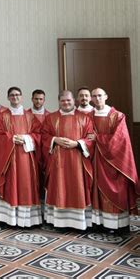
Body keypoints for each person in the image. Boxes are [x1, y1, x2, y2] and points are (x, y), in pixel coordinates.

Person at [41, 90, 95, 230]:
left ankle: (79, 222)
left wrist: (77, 144)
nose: (66, 103)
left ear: (74, 101)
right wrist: (55, 139)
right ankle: (59, 222)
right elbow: (44, 137)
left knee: (77, 187)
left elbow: (90, 138)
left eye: (68, 100)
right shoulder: (50, 118)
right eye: (63, 101)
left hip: (77, 160)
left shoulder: (85, 118)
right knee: (59, 187)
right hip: (57, 161)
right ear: (59, 101)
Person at [90, 88, 139, 232]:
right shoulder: (89, 116)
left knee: (118, 191)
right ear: (91, 99)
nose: (97, 98)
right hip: (97, 159)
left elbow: (120, 140)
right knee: (97, 191)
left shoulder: (117, 116)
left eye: (100, 95)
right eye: (94, 96)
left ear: (106, 96)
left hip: (116, 162)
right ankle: (101, 224)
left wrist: (98, 138)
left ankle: (120, 226)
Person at [0, 87, 42, 227]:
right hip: (8, 159)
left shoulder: (31, 117)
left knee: (26, 183)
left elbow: (38, 134)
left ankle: (27, 219)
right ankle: (7, 218)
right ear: (8, 98)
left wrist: (26, 138)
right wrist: (12, 139)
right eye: (12, 95)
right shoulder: (2, 117)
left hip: (26, 158)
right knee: (10, 183)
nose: (15, 97)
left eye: (17, 95)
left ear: (22, 97)